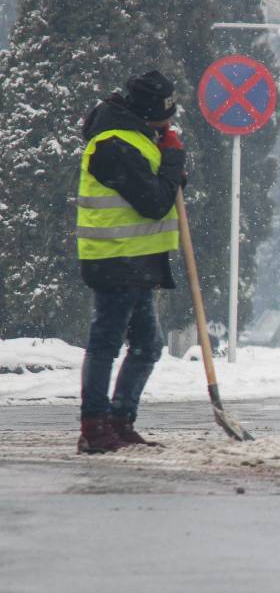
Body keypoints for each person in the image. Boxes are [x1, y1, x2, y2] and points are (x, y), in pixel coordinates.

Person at [76, 70, 185, 453]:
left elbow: (162, 188)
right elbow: (154, 201)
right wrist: (172, 160)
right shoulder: (113, 143)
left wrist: (171, 164)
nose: (170, 122)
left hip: (136, 259)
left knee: (147, 345)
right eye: (165, 115)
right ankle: (94, 427)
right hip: (114, 257)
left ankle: (120, 420)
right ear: (148, 111)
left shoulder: (138, 138)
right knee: (105, 343)